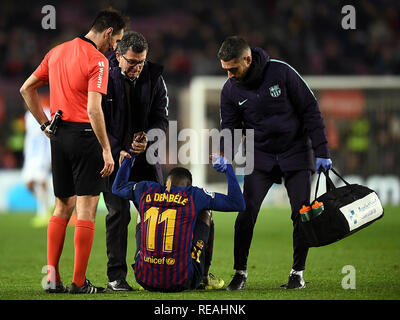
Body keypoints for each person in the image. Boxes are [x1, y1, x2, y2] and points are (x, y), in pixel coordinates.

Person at [19, 9, 127, 294]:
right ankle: (79, 283)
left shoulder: (57, 52)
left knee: (62, 206)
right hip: (85, 137)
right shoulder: (98, 60)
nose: (115, 47)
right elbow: (94, 109)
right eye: (117, 40)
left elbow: (26, 88)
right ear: (107, 33)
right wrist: (106, 149)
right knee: (86, 209)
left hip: (58, 136)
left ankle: (52, 279)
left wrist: (44, 124)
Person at [217, 36, 332, 290]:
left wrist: (322, 150)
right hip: (260, 157)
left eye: (233, 69)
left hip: (296, 153)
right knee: (246, 213)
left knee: (301, 214)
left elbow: (310, 110)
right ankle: (240, 273)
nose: (229, 76)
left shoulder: (282, 72)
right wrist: (224, 154)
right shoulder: (230, 90)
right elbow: (230, 127)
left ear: (247, 59)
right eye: (225, 70)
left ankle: (297, 273)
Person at [112, 151, 245, 292]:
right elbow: (238, 204)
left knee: (142, 214)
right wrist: (228, 168)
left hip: (145, 279)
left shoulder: (146, 189)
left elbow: (117, 187)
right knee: (206, 211)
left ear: (166, 183)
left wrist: (129, 158)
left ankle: (147, 264)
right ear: (189, 186)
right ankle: (205, 275)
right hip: (182, 281)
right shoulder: (193, 195)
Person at [102, 31, 169, 291]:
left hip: (146, 159)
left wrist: (148, 141)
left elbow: (161, 119)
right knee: (118, 214)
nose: (137, 67)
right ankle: (116, 278)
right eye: (132, 62)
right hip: (114, 159)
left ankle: (153, 272)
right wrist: (116, 149)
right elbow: (96, 119)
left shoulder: (155, 78)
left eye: (141, 62)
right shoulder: (102, 76)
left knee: (154, 214)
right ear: (118, 56)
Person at [21, 94, 52, 227]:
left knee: (41, 180)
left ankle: (44, 212)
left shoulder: (44, 112)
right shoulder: (28, 116)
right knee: (28, 183)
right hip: (30, 157)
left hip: (42, 155)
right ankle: (48, 204)